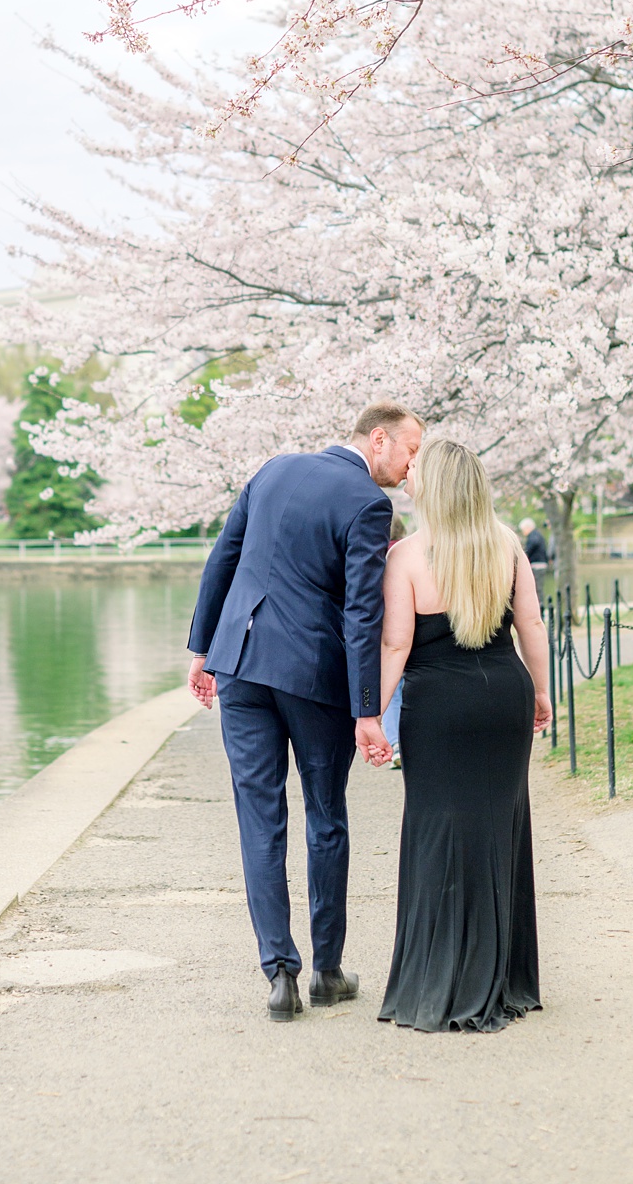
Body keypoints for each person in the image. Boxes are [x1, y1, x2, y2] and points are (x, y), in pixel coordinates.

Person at [186, 402, 423, 1020]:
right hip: (312, 679)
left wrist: (201, 649)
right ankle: (326, 970)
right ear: (379, 440)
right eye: (410, 450)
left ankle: (279, 975)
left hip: (238, 661)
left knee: (259, 818)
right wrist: (368, 708)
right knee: (325, 815)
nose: (411, 465)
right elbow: (362, 611)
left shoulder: (271, 470)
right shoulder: (371, 505)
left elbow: (223, 559)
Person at [375, 437, 551, 1032]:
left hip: (438, 706)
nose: (409, 475)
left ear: (437, 487)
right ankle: (503, 977)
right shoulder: (508, 547)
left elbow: (396, 644)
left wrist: (369, 714)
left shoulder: (406, 557)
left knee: (436, 830)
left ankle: (439, 978)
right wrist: (543, 693)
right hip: (505, 693)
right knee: (499, 828)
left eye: (417, 470)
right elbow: (530, 623)